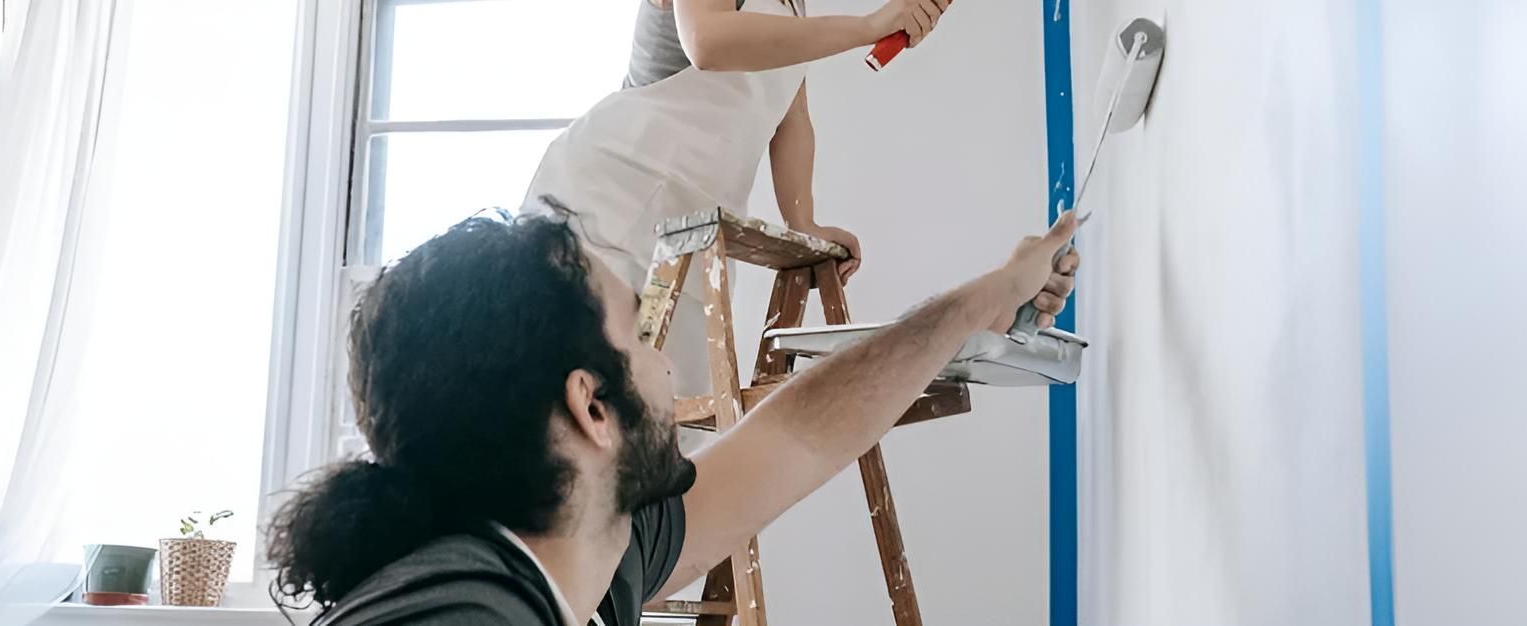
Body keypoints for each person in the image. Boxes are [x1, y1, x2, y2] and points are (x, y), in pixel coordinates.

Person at [267, 207, 1081, 625]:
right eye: (639, 334)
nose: (665, 362)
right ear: (592, 407)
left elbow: (800, 433)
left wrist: (986, 297)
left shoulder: (579, 551)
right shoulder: (461, 616)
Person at [520, 0, 957, 398]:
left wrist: (803, 221)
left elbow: (791, 119)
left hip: (693, 227)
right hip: (615, 196)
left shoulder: (794, 6)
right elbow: (707, 41)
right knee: (578, 397)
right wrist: (868, 26)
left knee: (666, 418)